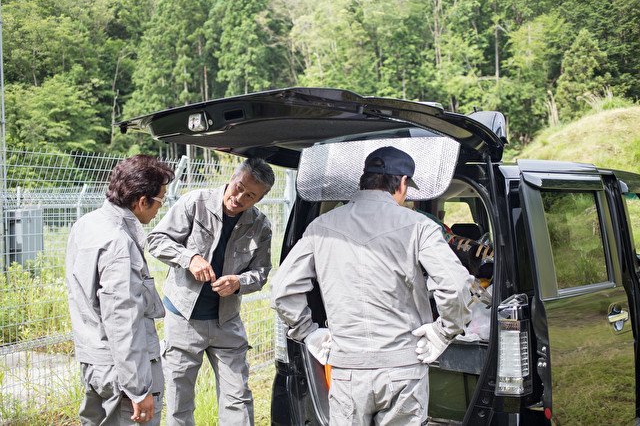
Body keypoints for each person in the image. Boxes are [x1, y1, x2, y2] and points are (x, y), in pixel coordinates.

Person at [270, 146, 473, 425]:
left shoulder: (321, 226)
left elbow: (282, 289)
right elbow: (456, 285)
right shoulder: (419, 226)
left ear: (362, 181)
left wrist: (308, 333)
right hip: (404, 368)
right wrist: (444, 332)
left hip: (346, 369)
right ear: (402, 183)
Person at [147, 157, 275, 426]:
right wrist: (189, 258)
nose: (239, 197)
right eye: (239, 187)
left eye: (250, 195)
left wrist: (238, 283)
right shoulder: (196, 203)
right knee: (179, 399)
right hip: (183, 318)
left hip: (226, 321)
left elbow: (261, 273)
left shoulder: (260, 226)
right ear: (232, 177)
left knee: (238, 397)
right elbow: (156, 240)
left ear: (259, 199)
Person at [66, 154, 175, 425]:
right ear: (141, 201)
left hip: (94, 363)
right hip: (123, 374)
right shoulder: (119, 243)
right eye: (161, 199)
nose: (160, 208)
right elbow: (122, 322)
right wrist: (138, 389)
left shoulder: (86, 225)